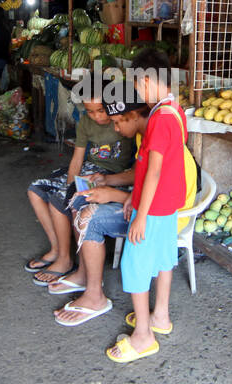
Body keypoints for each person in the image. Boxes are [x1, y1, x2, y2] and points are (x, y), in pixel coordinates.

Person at [50, 98, 198, 328]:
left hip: (165, 218)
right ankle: (85, 273)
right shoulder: (148, 133)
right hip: (154, 210)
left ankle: (96, 297)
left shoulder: (157, 138)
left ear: (135, 116)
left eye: (118, 122)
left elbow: (158, 195)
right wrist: (106, 181)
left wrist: (113, 195)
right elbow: (141, 175)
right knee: (85, 202)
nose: (116, 129)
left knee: (91, 218)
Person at [106, 49, 186, 363]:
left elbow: (153, 170)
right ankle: (160, 317)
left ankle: (143, 337)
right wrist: (131, 197)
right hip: (168, 204)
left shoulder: (158, 119)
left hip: (154, 207)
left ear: (148, 80)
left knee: (134, 266)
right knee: (164, 259)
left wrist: (140, 215)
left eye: (138, 86)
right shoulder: (174, 111)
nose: (138, 92)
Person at [25, 96, 135, 287]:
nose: (96, 116)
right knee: (36, 189)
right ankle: (57, 249)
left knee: (60, 200)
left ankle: (65, 260)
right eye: (90, 111)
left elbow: (136, 171)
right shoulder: (85, 122)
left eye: (100, 110)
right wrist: (69, 185)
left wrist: (68, 194)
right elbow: (77, 159)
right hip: (88, 169)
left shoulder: (123, 121)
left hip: (113, 174)